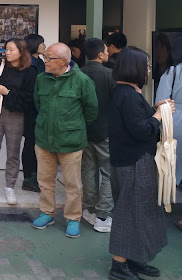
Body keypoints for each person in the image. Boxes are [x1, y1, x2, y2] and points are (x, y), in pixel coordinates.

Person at [108, 47, 173, 280]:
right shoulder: (127, 94)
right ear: (134, 68)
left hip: (132, 160)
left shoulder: (127, 92)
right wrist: (158, 116)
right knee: (129, 212)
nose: (149, 70)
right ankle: (119, 266)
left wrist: (155, 110)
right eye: (146, 66)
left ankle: (133, 257)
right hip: (133, 162)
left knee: (140, 211)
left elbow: (135, 122)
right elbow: (141, 130)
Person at [32, 42, 97, 239]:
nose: (44, 61)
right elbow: (37, 103)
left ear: (63, 61)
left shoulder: (82, 80)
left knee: (73, 184)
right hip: (44, 139)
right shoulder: (41, 79)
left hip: (71, 142)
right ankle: (47, 213)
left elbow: (91, 110)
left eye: (48, 58)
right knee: (45, 181)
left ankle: (73, 218)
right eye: (45, 57)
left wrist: (72, 126)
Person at [0, 38, 37, 205]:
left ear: (21, 51)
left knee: (13, 153)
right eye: (6, 49)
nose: (7, 53)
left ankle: (10, 186)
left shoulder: (30, 72)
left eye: (11, 49)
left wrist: (8, 93)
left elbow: (29, 98)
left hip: (16, 115)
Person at [155, 36, 182, 235]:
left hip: (177, 124)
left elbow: (161, 102)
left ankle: (161, 208)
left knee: (168, 166)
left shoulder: (173, 72)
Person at [80, 38, 116, 234]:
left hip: (84, 130)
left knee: (88, 170)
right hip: (106, 130)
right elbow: (116, 103)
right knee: (108, 173)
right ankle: (103, 215)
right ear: (101, 54)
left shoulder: (78, 73)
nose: (108, 53)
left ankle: (90, 209)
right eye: (106, 51)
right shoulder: (110, 74)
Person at [22, 33, 45, 192]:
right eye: (41, 43)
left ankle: (36, 177)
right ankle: (28, 179)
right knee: (30, 144)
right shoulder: (29, 63)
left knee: (36, 145)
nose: (44, 46)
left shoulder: (41, 62)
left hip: (39, 110)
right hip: (31, 110)